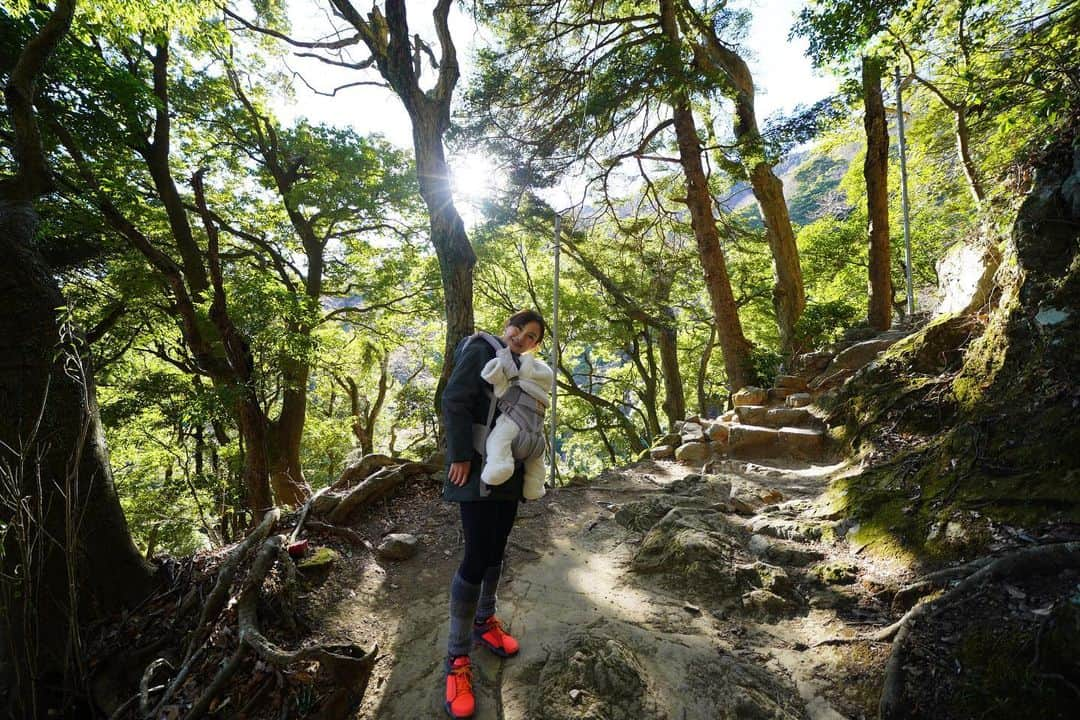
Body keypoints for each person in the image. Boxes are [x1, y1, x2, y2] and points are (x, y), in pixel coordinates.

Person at [440, 309, 547, 719]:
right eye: (517, 329)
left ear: (536, 343)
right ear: (507, 328)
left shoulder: (526, 368)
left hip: (509, 474)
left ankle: (485, 620)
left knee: (497, 548)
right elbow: (454, 399)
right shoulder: (482, 349)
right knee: (476, 554)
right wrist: (461, 455)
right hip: (475, 471)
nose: (521, 336)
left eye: (531, 334)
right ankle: (456, 659)